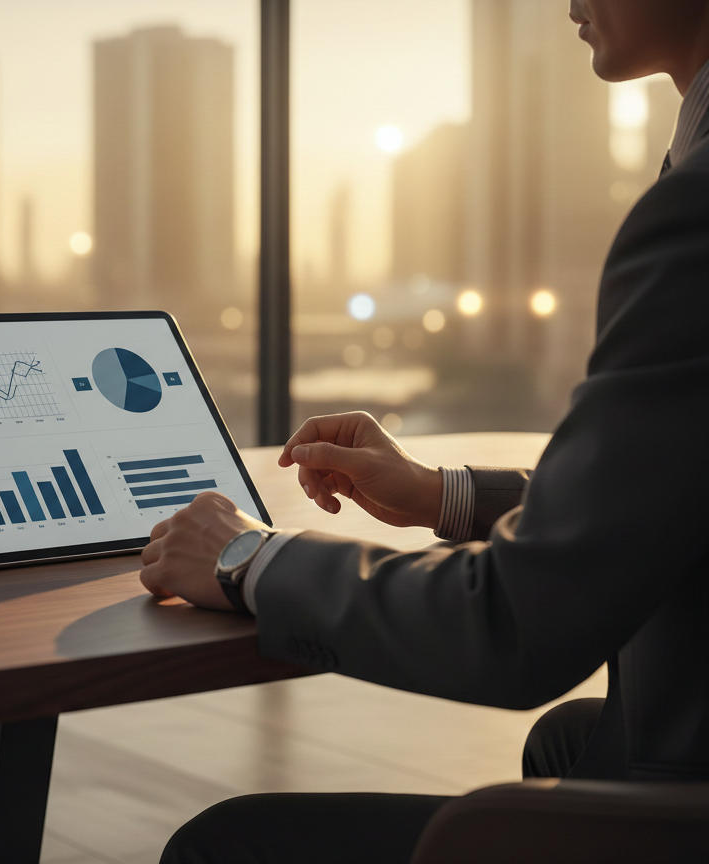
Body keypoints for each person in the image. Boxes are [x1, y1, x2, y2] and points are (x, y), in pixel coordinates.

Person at [139, 1, 709, 861]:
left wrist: (248, 559)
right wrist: (439, 495)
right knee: (574, 743)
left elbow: (520, 626)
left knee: (224, 845)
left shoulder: (696, 214)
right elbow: (669, 490)